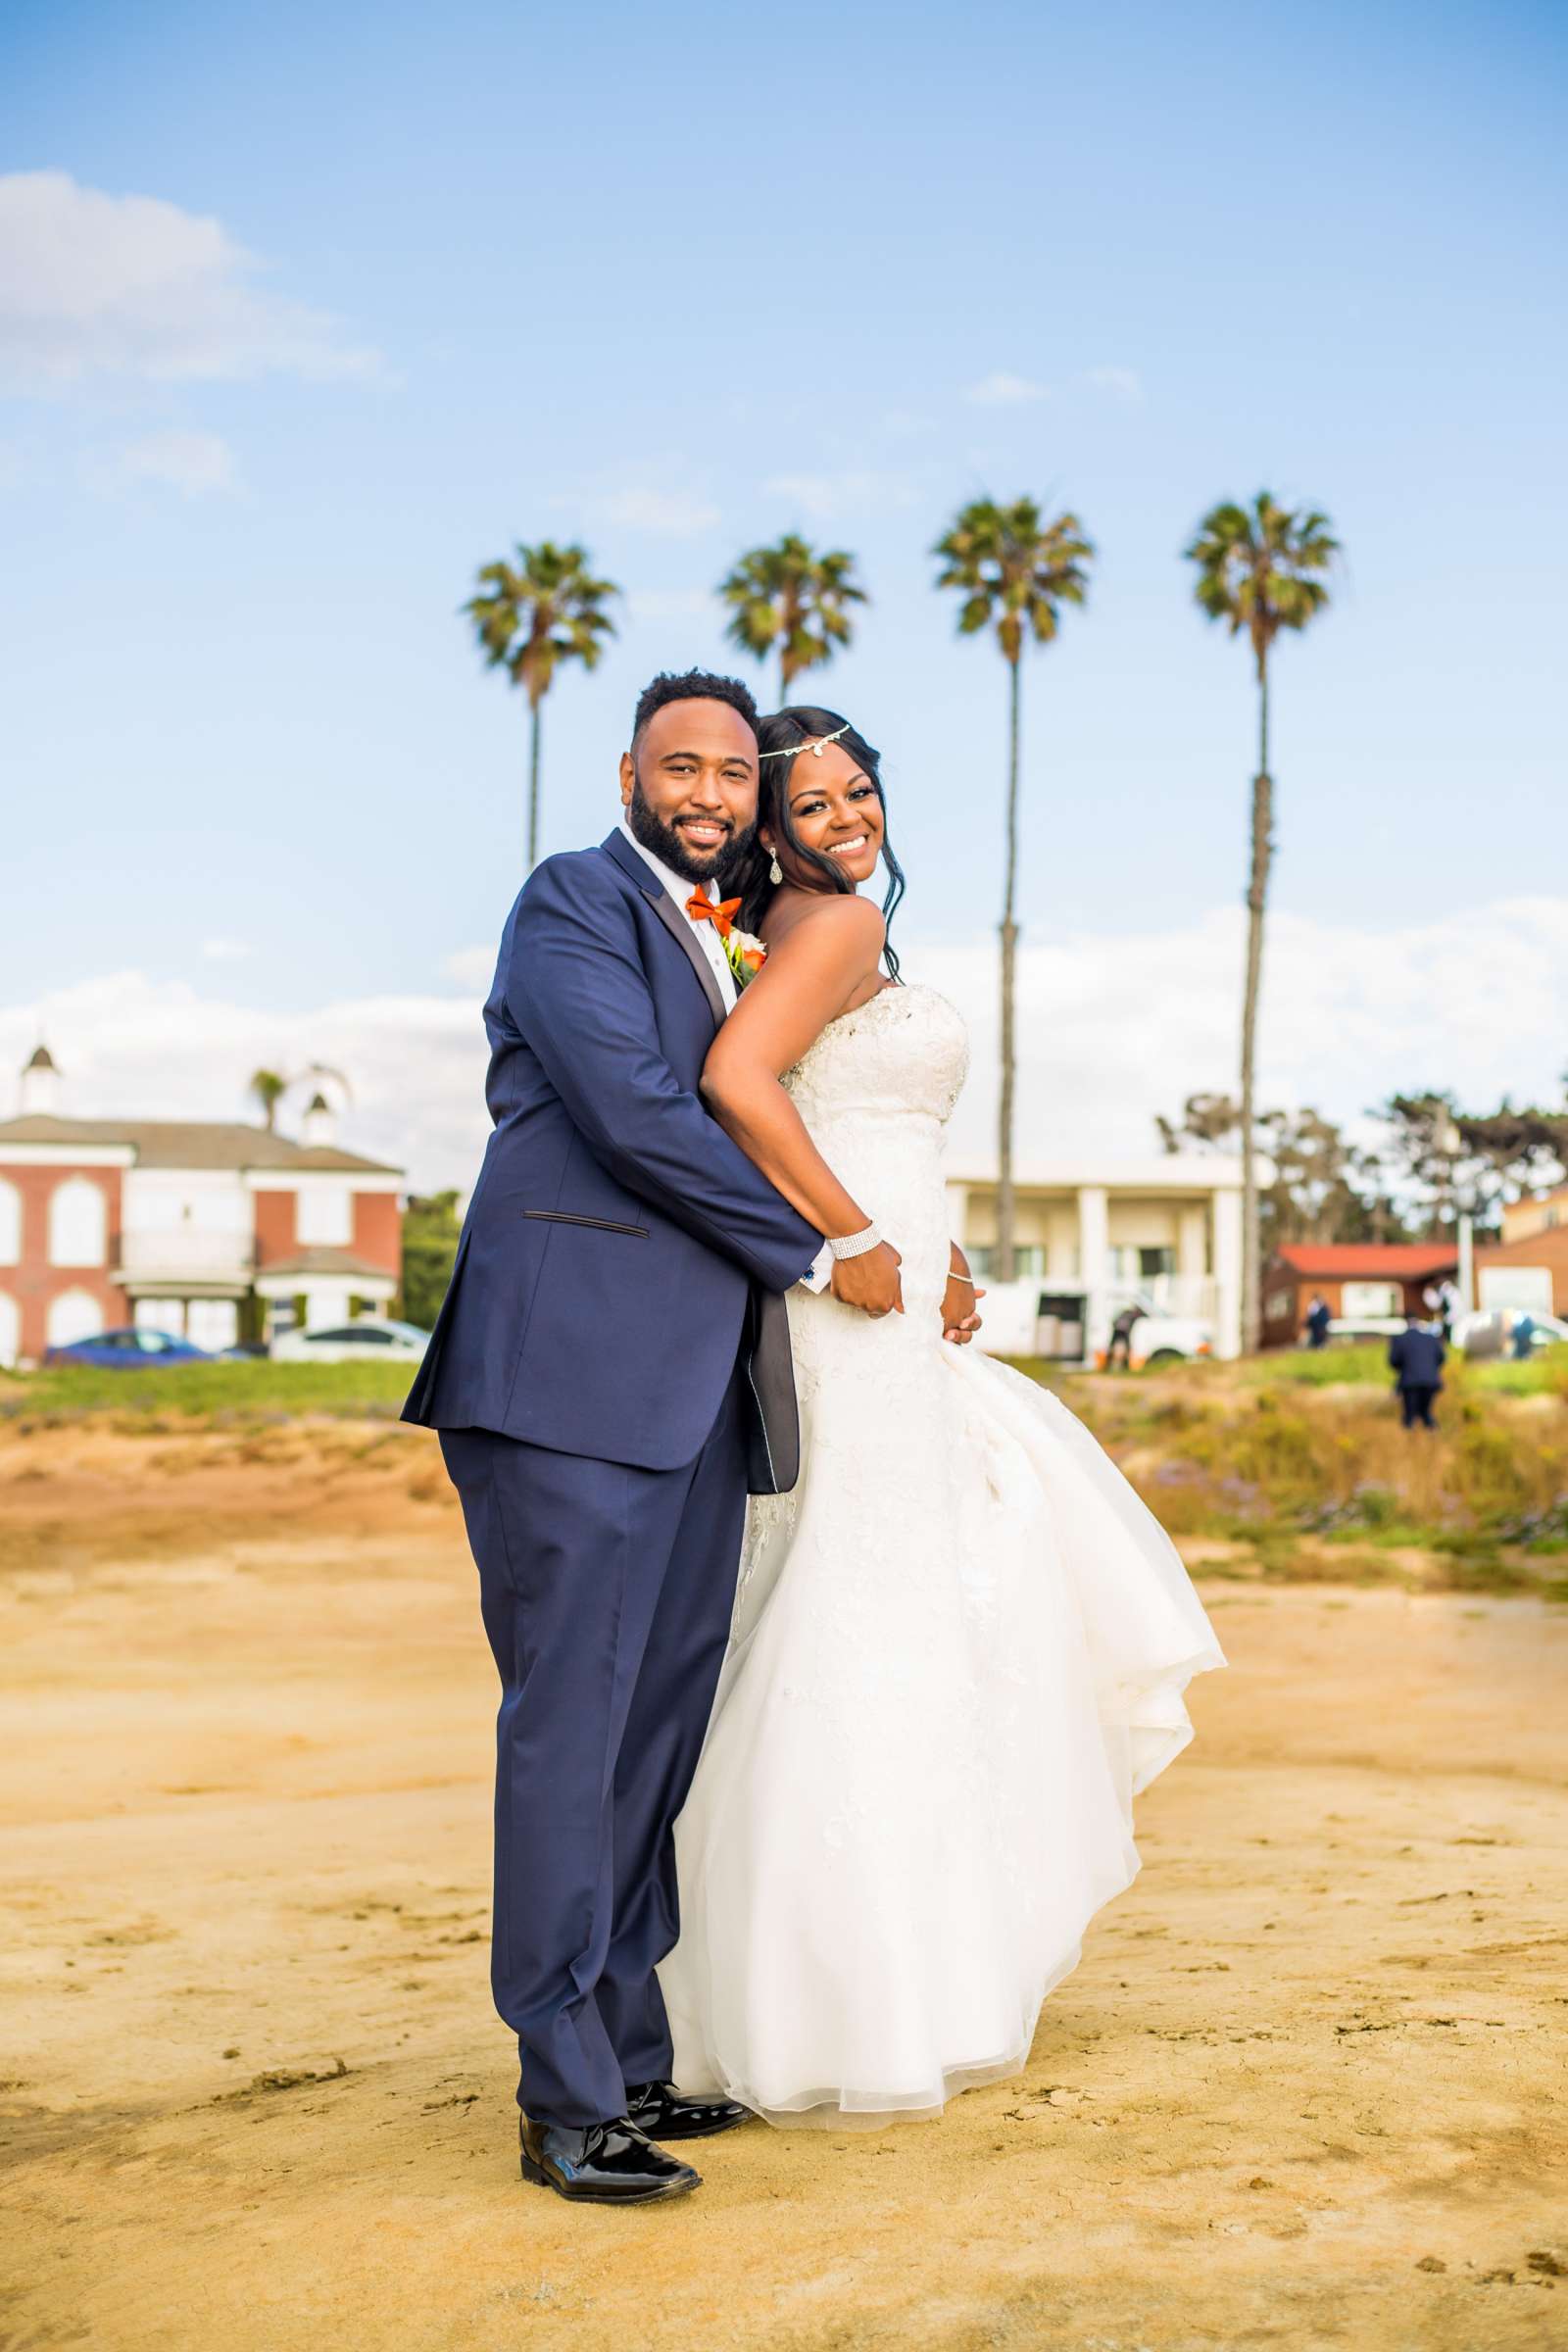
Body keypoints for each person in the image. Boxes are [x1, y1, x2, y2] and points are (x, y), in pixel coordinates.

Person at [403, 669, 979, 2207]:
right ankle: (562, 2099)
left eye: (735, 769)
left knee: (654, 1739)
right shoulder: (573, 905)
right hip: (567, 1384)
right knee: (572, 1736)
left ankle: (634, 2053)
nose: (712, 789)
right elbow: (643, 1115)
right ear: (630, 774)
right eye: (684, 766)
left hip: (710, 1397)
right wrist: (819, 1250)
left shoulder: (741, 934)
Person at [659, 706, 1225, 2128]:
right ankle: (866, 1991)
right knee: (872, 1598)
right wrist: (855, 1235)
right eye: (816, 800)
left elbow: (824, 1102)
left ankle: (827, 1983)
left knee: (865, 1588)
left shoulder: (806, 924)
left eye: (863, 791)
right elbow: (736, 1083)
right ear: (773, 822)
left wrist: (931, 1245)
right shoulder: (832, 926)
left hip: (886, 1288)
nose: (850, 817)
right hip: (853, 1295)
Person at [1389, 1310, 1446, 1429]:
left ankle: (1409, 1441)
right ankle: (1432, 1439)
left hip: (1409, 1383)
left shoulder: (1399, 1339)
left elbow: (1393, 1361)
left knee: (1410, 1417)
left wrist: (1405, 1368)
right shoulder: (1431, 1338)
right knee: (1427, 1414)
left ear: (1405, 1322)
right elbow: (1441, 1358)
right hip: (1430, 1381)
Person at [1106, 1299, 1142, 1370]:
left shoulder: (1125, 1313)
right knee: (1122, 1351)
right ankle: (1123, 1367)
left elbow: (1114, 1322)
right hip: (1122, 1334)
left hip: (1118, 1333)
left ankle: (1111, 1366)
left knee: (1114, 1351)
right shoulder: (1131, 1315)